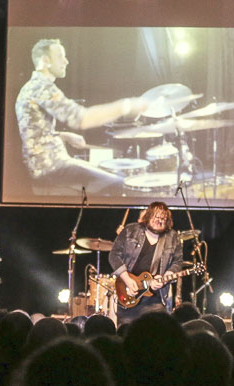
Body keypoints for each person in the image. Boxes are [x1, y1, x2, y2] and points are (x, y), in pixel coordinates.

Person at [15, 38, 150, 190]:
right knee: (123, 186)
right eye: (60, 57)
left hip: (46, 166)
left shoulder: (30, 87)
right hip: (51, 168)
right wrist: (127, 105)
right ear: (45, 61)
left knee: (116, 175)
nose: (66, 61)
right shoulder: (41, 87)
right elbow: (81, 119)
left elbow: (33, 133)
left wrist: (64, 136)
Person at [109, 202, 184, 324]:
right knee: (126, 331)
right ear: (148, 216)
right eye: (156, 217)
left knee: (153, 330)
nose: (159, 221)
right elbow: (114, 255)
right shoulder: (131, 230)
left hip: (155, 298)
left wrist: (165, 278)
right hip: (128, 292)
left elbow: (177, 262)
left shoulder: (172, 237)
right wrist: (127, 279)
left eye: (163, 219)